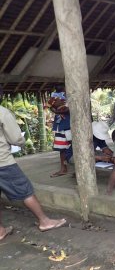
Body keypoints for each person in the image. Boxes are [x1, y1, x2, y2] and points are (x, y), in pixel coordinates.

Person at [0, 99, 66, 240]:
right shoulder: (2, 113)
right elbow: (16, 139)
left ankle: (0, 230)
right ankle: (44, 221)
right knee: (26, 191)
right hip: (3, 163)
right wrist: (21, 142)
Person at [48, 84, 72, 177]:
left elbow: (69, 110)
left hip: (69, 125)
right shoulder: (54, 96)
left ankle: (74, 167)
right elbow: (49, 106)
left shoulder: (70, 97)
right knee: (62, 148)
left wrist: (57, 110)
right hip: (60, 125)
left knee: (73, 146)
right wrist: (55, 109)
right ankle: (63, 168)